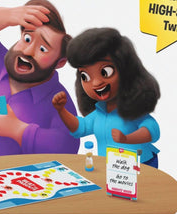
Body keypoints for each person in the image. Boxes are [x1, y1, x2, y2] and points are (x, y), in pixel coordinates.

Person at [0, 0, 79, 157]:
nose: (28, 51)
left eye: (43, 49)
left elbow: (67, 145)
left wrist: (19, 130)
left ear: (60, 62)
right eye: (27, 39)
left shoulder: (58, 101)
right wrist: (8, 15)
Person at [52, 27, 161, 167]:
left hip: (142, 165)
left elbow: (152, 130)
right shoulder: (100, 113)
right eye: (85, 76)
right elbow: (80, 128)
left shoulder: (132, 110)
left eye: (105, 72)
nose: (96, 83)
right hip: (111, 169)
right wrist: (61, 110)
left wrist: (127, 138)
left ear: (126, 70)